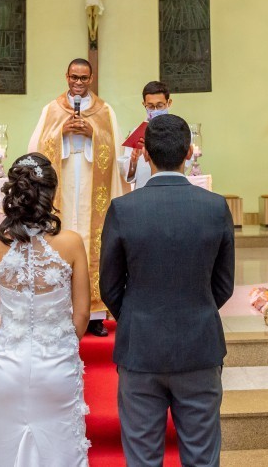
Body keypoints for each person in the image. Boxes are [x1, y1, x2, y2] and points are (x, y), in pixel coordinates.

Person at [100, 114, 235, 467]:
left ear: (145, 154)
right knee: (202, 458)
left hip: (140, 349)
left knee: (142, 459)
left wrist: (137, 315)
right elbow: (224, 284)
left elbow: (109, 287)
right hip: (200, 347)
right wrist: (197, 309)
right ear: (189, 152)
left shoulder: (123, 209)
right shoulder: (215, 207)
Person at [0, 153, 92, 466]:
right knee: (61, 453)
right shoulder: (71, 243)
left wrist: (7, 343)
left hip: (7, 367)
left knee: (5, 453)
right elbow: (82, 313)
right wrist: (61, 343)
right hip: (56, 364)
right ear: (51, 193)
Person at [29, 58, 123, 337]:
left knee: (93, 241)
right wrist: (62, 133)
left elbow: (117, 150)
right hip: (64, 177)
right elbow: (36, 148)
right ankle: (59, 309)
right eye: (74, 77)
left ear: (91, 78)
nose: (78, 83)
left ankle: (94, 314)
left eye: (83, 78)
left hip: (93, 178)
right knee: (63, 236)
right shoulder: (52, 109)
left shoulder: (104, 110)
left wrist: (95, 134)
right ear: (67, 76)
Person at [117, 80, 173, 191]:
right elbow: (129, 176)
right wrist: (133, 161)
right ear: (144, 104)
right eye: (150, 106)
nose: (155, 110)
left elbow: (184, 164)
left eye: (160, 106)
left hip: (170, 189)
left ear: (169, 103)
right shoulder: (137, 133)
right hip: (144, 190)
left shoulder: (178, 129)